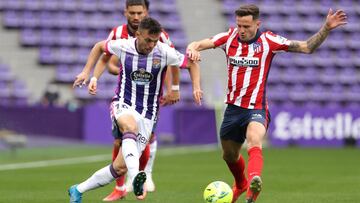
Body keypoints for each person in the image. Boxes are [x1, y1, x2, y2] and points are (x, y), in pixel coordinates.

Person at [186, 4, 347, 203]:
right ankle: (242, 183)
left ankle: (254, 180)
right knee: (229, 155)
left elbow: (306, 47)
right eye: (239, 26)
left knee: (254, 139)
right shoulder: (228, 38)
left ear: (257, 23)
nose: (242, 31)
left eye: (246, 26)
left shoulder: (268, 40)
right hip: (233, 109)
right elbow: (197, 44)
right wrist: (192, 49)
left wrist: (326, 28)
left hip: (256, 107)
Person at [68, 17, 202, 203]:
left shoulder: (163, 52)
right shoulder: (124, 46)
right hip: (123, 103)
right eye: (148, 40)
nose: (151, 45)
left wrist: (195, 87)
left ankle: (77, 189)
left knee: (119, 167)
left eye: (155, 41)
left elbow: (191, 64)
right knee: (129, 127)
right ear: (138, 34)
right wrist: (86, 72)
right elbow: (99, 46)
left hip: (148, 115)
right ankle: (136, 176)